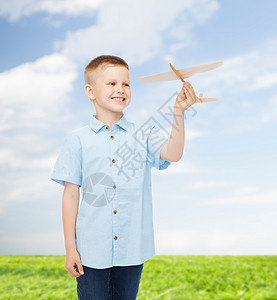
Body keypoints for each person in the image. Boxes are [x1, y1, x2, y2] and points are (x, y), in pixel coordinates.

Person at [50, 55, 197, 299]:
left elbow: (173, 154)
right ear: (91, 91)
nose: (121, 89)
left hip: (132, 248)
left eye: (126, 84)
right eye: (112, 83)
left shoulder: (143, 133)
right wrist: (70, 248)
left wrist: (179, 113)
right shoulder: (76, 140)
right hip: (90, 250)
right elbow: (71, 194)